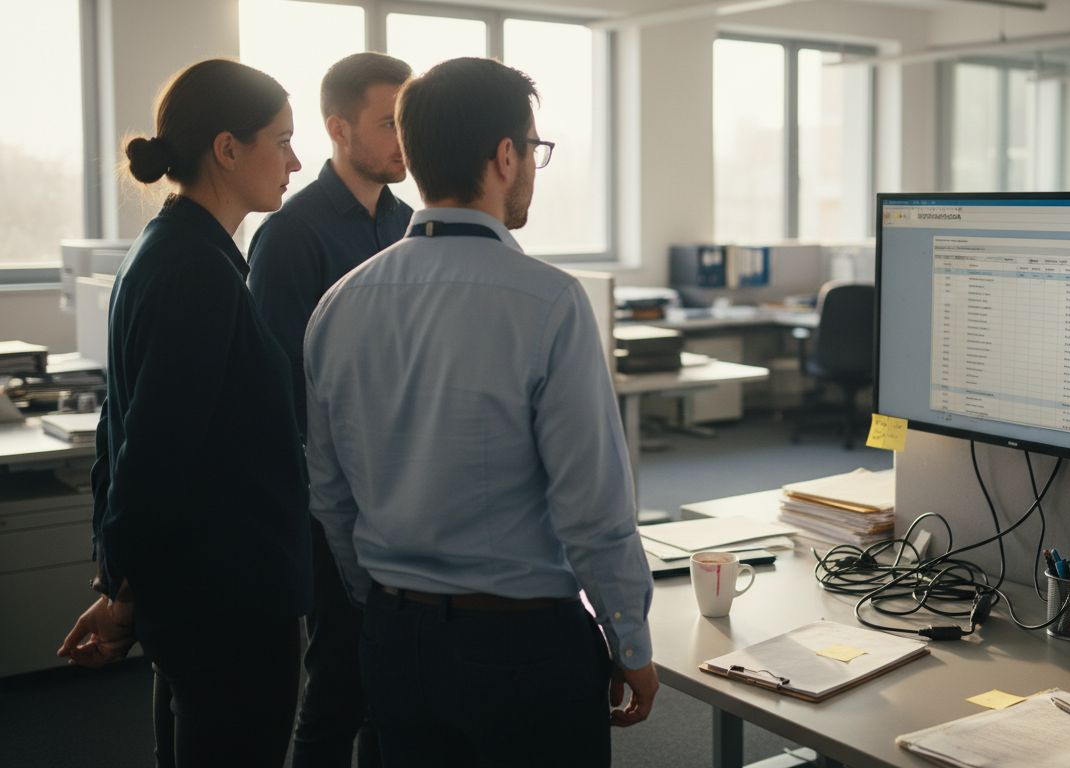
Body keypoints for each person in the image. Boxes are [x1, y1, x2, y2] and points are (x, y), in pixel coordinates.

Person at [304, 57, 658, 767]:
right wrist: (630, 641)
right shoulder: (549, 302)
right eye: (533, 150)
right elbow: (592, 508)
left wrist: (381, 599)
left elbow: (329, 492)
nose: (532, 165)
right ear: (505, 156)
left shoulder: (339, 303)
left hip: (394, 642)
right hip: (521, 649)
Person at [57, 58, 311, 768]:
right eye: (282, 140)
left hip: (200, 596)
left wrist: (120, 581)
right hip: (227, 601)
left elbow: (125, 428)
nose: (296, 160)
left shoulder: (172, 249)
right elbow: (154, 453)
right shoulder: (195, 271)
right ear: (227, 149)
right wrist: (119, 593)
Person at [246, 51, 414, 768]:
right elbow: (283, 386)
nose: (403, 138)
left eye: (408, 121)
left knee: (397, 688)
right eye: (387, 123)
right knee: (339, 682)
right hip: (331, 499)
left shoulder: (413, 223)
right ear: (337, 129)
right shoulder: (292, 232)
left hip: (404, 488)